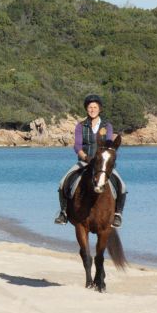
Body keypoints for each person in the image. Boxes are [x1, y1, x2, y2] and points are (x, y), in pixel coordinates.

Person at [54, 94, 127, 227]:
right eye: (90, 107)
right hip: (85, 161)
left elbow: (108, 144)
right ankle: (63, 213)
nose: (92, 109)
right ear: (86, 109)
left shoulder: (107, 126)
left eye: (95, 107)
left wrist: (102, 158)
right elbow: (77, 146)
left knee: (122, 186)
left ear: (99, 109)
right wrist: (86, 158)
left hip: (103, 164)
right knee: (62, 182)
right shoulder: (81, 126)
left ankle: (118, 214)